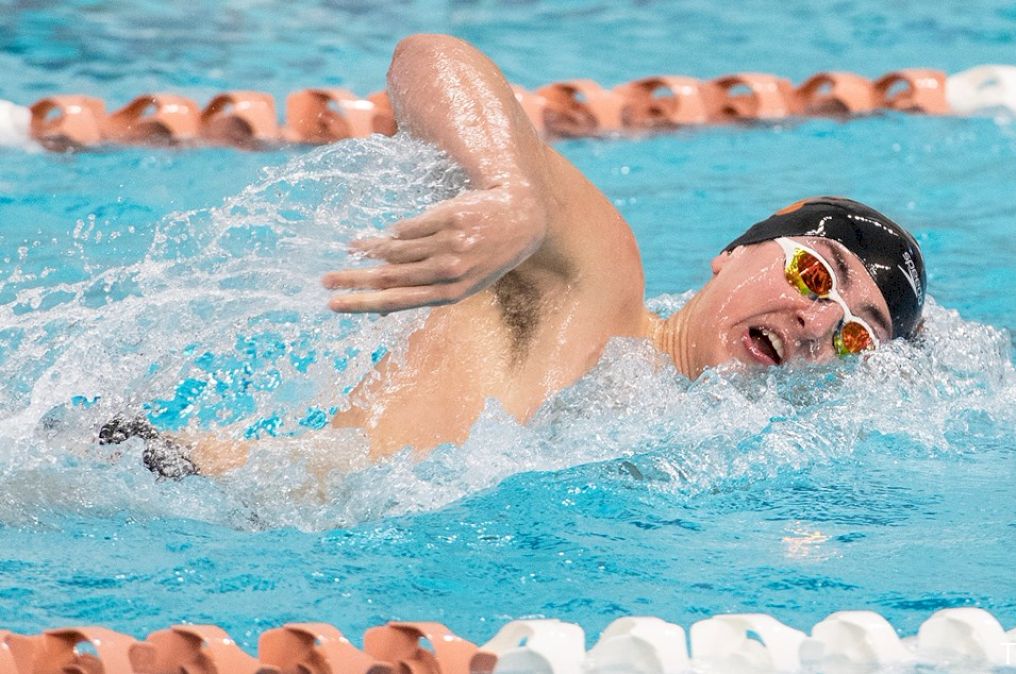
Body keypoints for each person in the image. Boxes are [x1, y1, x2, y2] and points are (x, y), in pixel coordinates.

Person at [102, 34, 926, 477]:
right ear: (732, 253)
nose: (818, 321)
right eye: (818, 275)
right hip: (150, 477)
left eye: (854, 335)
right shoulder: (599, 285)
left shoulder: (678, 447)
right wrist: (509, 192)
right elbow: (431, 57)